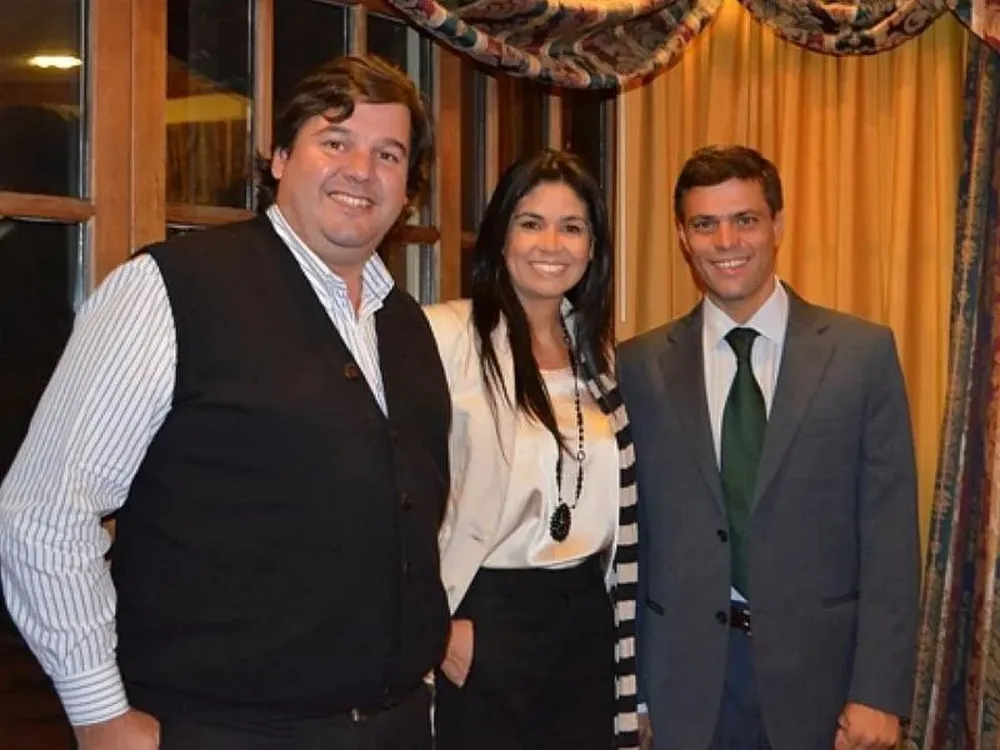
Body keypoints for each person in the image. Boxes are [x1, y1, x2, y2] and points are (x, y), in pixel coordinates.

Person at [0, 54, 452, 750]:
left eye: (387, 153)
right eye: (335, 142)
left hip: (396, 728)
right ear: (278, 157)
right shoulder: (167, 291)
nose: (361, 169)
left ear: (408, 187)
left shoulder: (409, 328)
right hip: (223, 731)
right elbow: (43, 511)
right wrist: (99, 714)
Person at [618, 145, 919, 750]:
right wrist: (635, 692)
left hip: (822, 682)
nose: (726, 240)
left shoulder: (861, 355)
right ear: (683, 237)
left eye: (745, 219)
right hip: (685, 682)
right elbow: (631, 537)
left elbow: (890, 535)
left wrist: (880, 691)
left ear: (777, 225)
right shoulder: (637, 365)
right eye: (705, 224)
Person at [423, 149, 639, 750]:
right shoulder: (444, 337)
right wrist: (434, 627)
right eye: (531, 222)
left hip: (583, 616)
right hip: (484, 609)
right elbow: (395, 495)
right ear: (499, 238)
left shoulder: (600, 357)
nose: (553, 243)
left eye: (572, 227)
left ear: (593, 249)